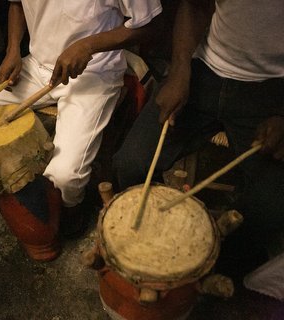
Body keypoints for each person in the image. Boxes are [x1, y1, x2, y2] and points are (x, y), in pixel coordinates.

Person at [0, 1, 164, 240]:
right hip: (36, 65)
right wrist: (13, 49)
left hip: (94, 72)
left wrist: (88, 45)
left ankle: (70, 217)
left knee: (63, 178)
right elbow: (16, 4)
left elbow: (150, 25)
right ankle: (24, 185)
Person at [113, 0, 284, 278]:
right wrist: (180, 69)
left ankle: (216, 268)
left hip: (272, 90)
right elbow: (195, 6)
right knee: (130, 163)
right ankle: (145, 248)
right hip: (204, 68)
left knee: (271, 206)